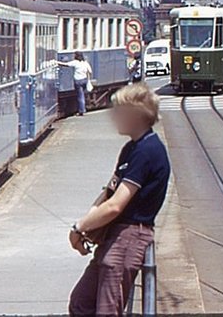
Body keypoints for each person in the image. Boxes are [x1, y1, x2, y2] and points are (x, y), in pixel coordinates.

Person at [68, 84, 170, 317]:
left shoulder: (148, 151)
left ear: (136, 116)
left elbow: (116, 205)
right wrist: (87, 224)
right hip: (115, 235)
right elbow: (109, 193)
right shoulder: (131, 149)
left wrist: (79, 227)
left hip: (129, 236)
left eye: (119, 111)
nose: (113, 116)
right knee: (81, 302)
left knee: (107, 309)